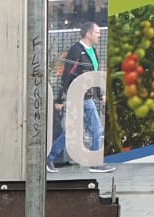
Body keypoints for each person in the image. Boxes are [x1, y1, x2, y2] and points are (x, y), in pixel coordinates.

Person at [49, 22, 114, 174]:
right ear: (88, 34)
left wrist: (100, 95)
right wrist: (62, 99)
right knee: (96, 129)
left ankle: (49, 158)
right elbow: (67, 75)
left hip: (87, 96)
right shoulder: (76, 50)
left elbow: (93, 76)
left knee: (73, 131)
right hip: (79, 97)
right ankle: (95, 163)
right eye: (97, 32)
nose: (99, 35)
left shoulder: (93, 51)